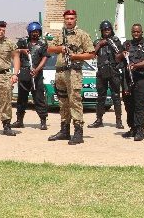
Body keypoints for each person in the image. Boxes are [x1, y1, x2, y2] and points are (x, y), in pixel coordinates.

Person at [46, 10, 96, 145]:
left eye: (72, 18)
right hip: (60, 72)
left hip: (74, 72)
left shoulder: (82, 35)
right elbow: (49, 49)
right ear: (64, 20)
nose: (69, 21)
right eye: (67, 18)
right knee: (62, 102)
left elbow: (91, 54)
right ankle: (64, 130)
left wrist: (75, 56)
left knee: (75, 101)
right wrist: (60, 48)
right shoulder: (60, 35)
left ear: (76, 20)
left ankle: (78, 132)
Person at [120, 23, 144, 141]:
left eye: (138, 32)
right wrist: (122, 54)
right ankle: (132, 128)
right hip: (128, 79)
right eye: (134, 32)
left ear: (142, 32)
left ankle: (140, 130)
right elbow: (117, 58)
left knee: (140, 105)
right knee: (129, 105)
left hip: (142, 79)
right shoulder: (127, 44)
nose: (136, 34)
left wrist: (136, 66)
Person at [11, 21, 49, 130]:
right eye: (33, 32)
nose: (35, 34)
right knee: (21, 98)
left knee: (39, 97)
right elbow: (14, 52)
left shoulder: (42, 44)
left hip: (37, 74)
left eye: (37, 32)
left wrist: (37, 70)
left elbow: (45, 58)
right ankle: (19, 120)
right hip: (24, 72)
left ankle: (43, 121)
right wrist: (21, 50)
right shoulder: (22, 42)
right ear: (29, 32)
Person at [88, 20, 125, 129]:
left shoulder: (116, 41)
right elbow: (91, 54)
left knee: (116, 96)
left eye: (108, 29)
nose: (106, 32)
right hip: (101, 71)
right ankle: (99, 120)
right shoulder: (97, 42)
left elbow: (119, 56)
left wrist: (110, 43)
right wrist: (100, 44)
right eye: (104, 30)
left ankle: (118, 120)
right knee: (100, 97)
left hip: (113, 70)